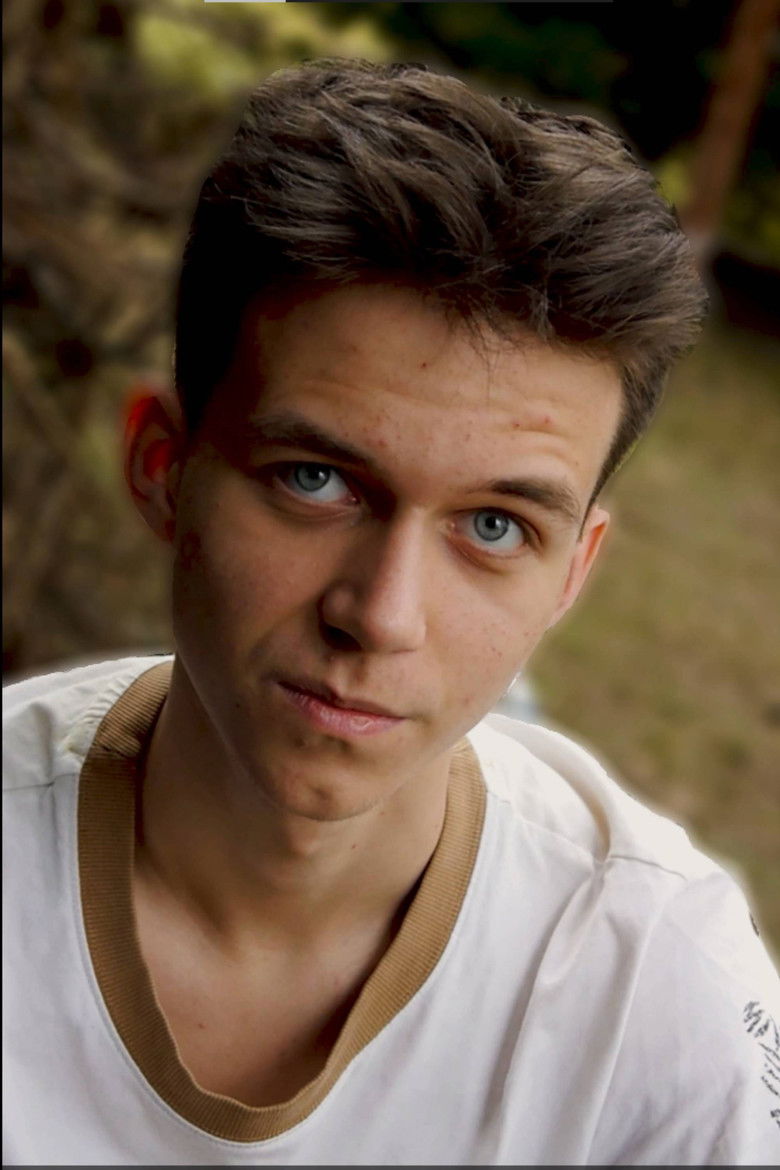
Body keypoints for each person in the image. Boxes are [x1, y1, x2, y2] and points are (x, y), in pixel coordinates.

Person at [3, 59, 779, 1166]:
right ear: (164, 467)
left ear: (573, 572)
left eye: (496, 526)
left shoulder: (656, 1005)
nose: (382, 615)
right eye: (316, 480)